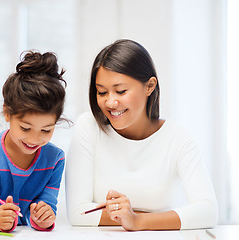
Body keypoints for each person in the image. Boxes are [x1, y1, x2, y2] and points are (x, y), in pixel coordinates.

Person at [65, 39, 218, 230]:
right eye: (102, 92)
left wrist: (137, 220)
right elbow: (79, 213)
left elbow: (208, 211)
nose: (110, 102)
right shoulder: (88, 127)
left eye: (120, 91)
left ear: (150, 86)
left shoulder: (178, 136)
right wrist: (157, 218)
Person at [0, 51, 67, 232]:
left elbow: (47, 205)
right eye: (25, 128)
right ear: (7, 113)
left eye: (46, 130)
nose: (34, 139)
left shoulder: (55, 159)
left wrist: (42, 217)